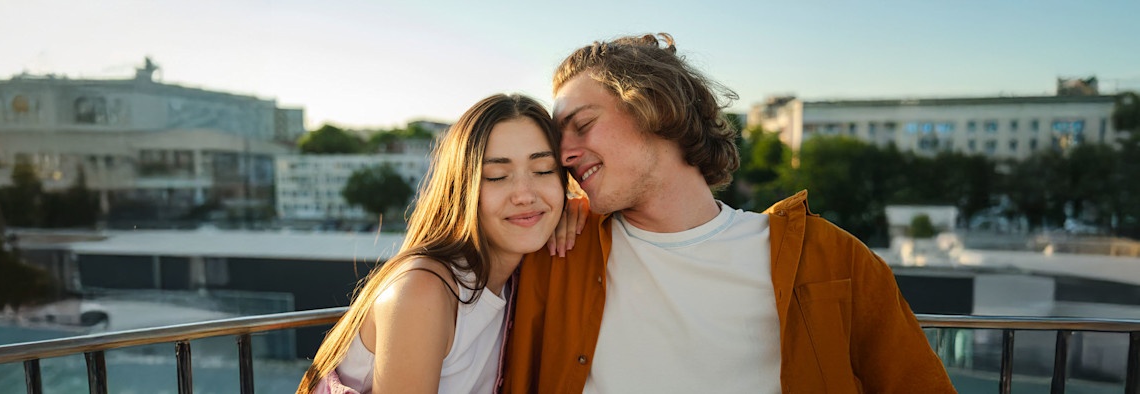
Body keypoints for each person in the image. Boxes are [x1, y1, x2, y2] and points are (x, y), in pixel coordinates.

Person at [501, 34, 957, 393]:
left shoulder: (832, 260)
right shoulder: (555, 249)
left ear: (654, 107)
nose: (564, 154)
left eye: (582, 125)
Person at [297, 94, 569, 394]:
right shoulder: (423, 290)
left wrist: (574, 210)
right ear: (461, 188)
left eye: (544, 170)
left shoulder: (520, 278)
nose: (525, 194)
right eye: (497, 176)